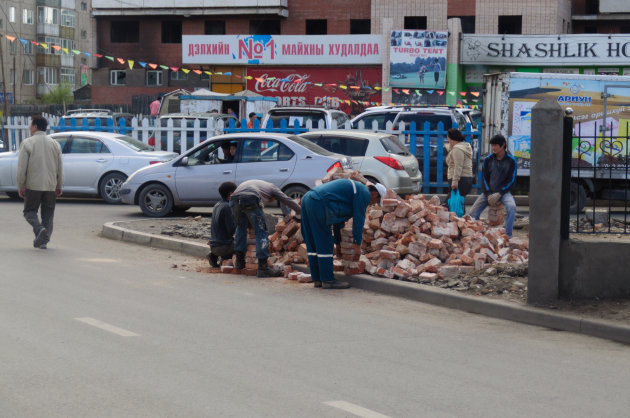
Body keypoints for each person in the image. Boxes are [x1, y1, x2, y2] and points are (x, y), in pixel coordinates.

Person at [301, 179, 381, 289]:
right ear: (375, 193)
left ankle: (318, 279)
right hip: (319, 202)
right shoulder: (364, 193)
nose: (373, 204)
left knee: (313, 242)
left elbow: (338, 221)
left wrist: (338, 243)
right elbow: (359, 218)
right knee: (324, 241)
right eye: (376, 201)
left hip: (308, 198)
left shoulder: (354, 191)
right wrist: (357, 244)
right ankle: (328, 280)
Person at [230, 180, 301, 277]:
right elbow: (287, 200)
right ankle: (263, 268)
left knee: (240, 227)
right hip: (250, 198)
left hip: (234, 199)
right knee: (261, 230)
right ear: (272, 196)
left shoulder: (258, 186)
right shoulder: (272, 188)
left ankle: (239, 263)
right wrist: (300, 211)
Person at [16, 115, 64, 249]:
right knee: (48, 214)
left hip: (33, 185)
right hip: (50, 185)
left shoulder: (27, 143)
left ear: (35, 126)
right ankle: (44, 241)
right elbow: (60, 167)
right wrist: (59, 184)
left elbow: (21, 168)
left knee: (29, 211)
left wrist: (21, 185)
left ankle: (39, 230)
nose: (29, 127)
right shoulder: (55, 144)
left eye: (31, 125)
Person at [469, 134, 518, 238]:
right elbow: (484, 179)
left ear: (503, 145)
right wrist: (489, 193)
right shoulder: (488, 159)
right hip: (488, 192)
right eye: (492, 145)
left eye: (496, 145)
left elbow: (511, 180)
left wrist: (499, 193)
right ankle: (479, 235)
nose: (493, 148)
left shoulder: (511, 161)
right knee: (472, 214)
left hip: (504, 193)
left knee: (512, 207)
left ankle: (508, 235)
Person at [208, 182, 237, 268]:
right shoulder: (227, 207)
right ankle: (225, 259)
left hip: (213, 246)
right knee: (244, 244)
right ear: (231, 194)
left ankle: (213, 256)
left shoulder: (217, 205)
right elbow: (231, 230)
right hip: (223, 247)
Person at [445, 128, 474, 199]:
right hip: (464, 178)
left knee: (451, 204)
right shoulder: (463, 147)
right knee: (458, 203)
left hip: (460, 179)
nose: (447, 140)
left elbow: (458, 166)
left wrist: (455, 181)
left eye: (448, 138)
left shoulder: (457, 149)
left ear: (451, 138)